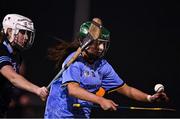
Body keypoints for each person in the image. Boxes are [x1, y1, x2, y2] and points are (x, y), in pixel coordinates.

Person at [44, 18, 169, 118]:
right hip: (59, 114)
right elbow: (73, 90)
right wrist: (100, 100)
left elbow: (127, 90)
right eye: (98, 43)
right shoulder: (74, 61)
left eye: (103, 43)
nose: (101, 48)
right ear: (85, 42)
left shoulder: (102, 65)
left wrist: (149, 98)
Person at [0, 14, 48, 117]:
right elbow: (13, 77)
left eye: (28, 34)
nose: (26, 37)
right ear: (9, 31)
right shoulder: (1, 49)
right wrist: (37, 90)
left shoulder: (16, 55)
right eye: (22, 32)